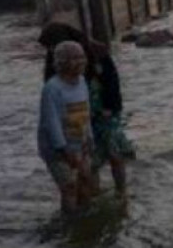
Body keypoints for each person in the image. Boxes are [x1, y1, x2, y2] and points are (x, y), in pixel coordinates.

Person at [39, 23, 134, 200]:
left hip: (104, 109)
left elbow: (112, 82)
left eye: (52, 45)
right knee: (91, 159)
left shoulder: (95, 51)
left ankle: (122, 191)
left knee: (114, 152)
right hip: (78, 116)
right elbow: (51, 98)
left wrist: (110, 107)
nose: (50, 50)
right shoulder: (56, 60)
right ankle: (93, 195)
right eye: (48, 48)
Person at [38, 41, 94, 214]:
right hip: (57, 149)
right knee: (69, 186)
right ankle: (70, 224)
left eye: (82, 57)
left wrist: (90, 137)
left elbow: (86, 111)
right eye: (75, 58)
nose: (81, 62)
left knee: (85, 180)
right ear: (62, 62)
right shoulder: (52, 88)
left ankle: (85, 216)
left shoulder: (83, 82)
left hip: (80, 142)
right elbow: (51, 122)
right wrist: (63, 149)